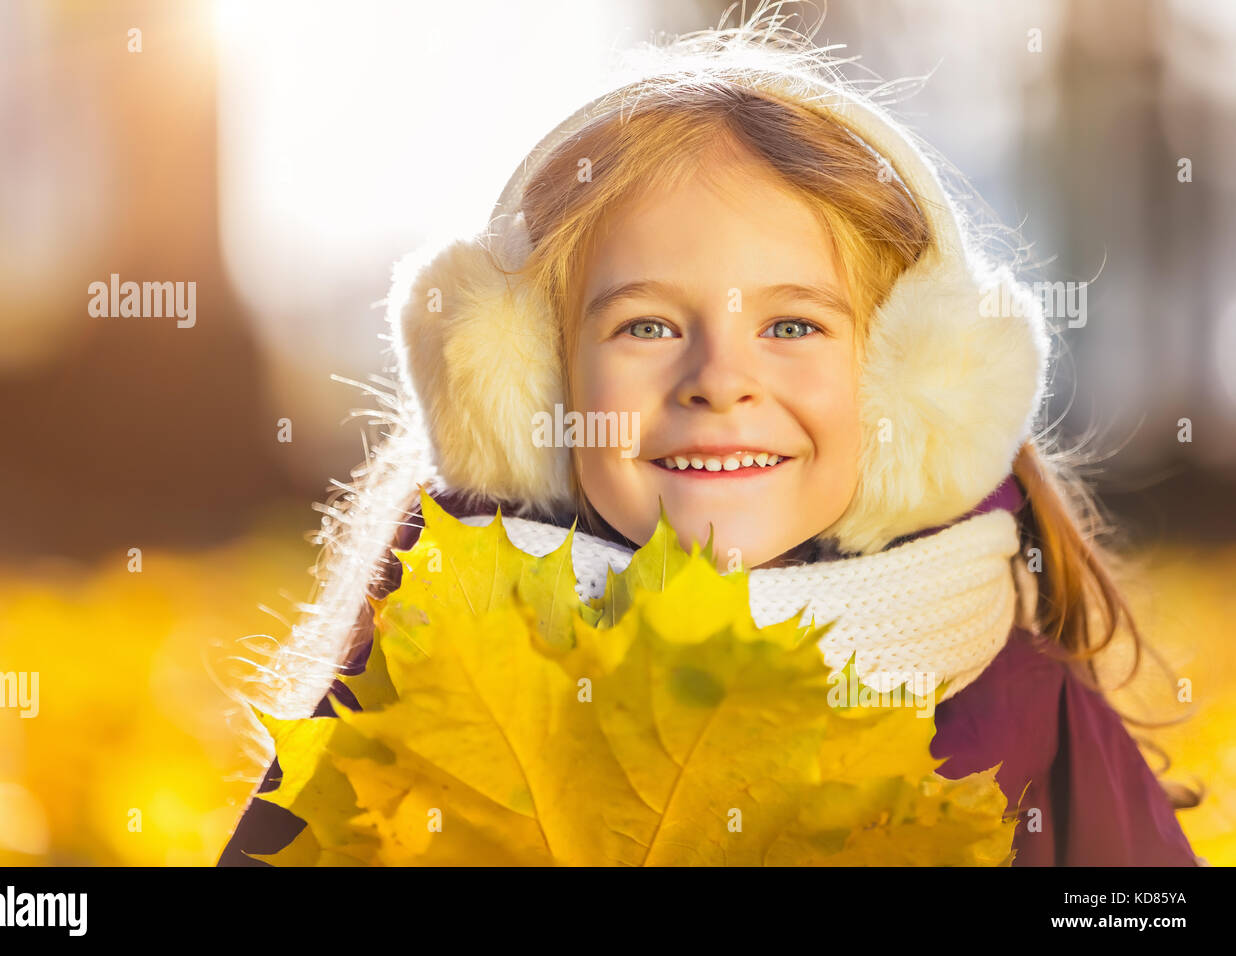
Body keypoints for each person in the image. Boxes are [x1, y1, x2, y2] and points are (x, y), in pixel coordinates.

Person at [219, 8, 1199, 867]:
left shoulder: (1016, 694)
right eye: (646, 325)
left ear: (917, 379)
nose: (719, 381)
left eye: (792, 325)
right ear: (526, 384)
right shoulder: (439, 659)